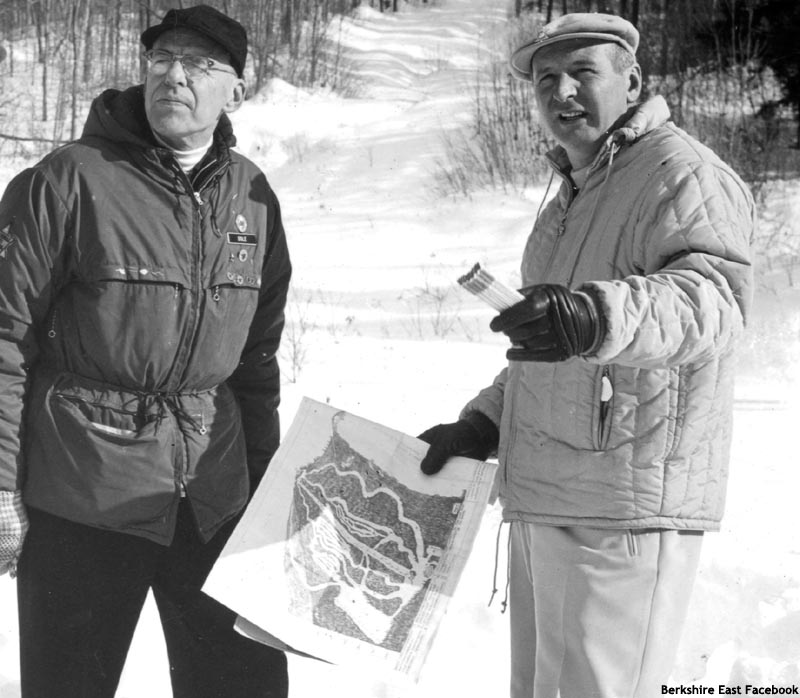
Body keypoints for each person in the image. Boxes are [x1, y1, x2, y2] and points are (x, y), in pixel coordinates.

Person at [417, 12, 754, 698]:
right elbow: (550, 351)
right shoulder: (567, 199)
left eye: (582, 72)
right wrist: (484, 423)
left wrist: (593, 313)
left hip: (622, 505)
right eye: (546, 79)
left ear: (632, 81)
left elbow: (712, 302)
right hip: (545, 498)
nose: (561, 90)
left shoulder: (679, 172)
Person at [0, 5, 291, 697]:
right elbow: (4, 340)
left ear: (237, 92)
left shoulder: (253, 196)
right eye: (162, 60)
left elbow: (257, 360)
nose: (174, 76)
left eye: (199, 64)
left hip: (212, 493)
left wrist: (267, 491)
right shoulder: (66, 181)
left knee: (243, 685)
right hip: (85, 491)